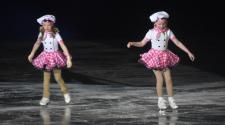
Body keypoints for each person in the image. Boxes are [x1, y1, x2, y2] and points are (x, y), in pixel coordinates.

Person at [127, 11, 195, 110]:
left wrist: (188, 52)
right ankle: (160, 100)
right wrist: (132, 43)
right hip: (155, 57)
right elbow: (142, 43)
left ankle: (171, 100)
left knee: (169, 79)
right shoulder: (151, 32)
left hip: (165, 56)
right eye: (160, 24)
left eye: (164, 24)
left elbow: (177, 42)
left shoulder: (168, 31)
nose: (162, 26)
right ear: (155, 23)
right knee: (160, 79)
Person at [28, 14, 73, 105]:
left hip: (55, 57)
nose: (46, 27)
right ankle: (45, 97)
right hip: (45, 57)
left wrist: (68, 58)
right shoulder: (41, 34)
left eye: (48, 25)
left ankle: (65, 92)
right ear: (42, 26)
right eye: (44, 25)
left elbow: (62, 45)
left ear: (52, 24)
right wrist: (32, 53)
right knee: (46, 79)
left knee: (57, 77)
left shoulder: (55, 34)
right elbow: (37, 44)